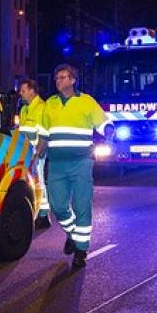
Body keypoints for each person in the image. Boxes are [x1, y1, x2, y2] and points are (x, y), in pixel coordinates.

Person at [37, 64, 114, 268]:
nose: (58, 81)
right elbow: (43, 133)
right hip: (57, 163)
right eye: (56, 78)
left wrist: (110, 130)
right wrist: (37, 154)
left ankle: (81, 250)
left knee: (81, 206)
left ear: (72, 80)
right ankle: (72, 234)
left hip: (81, 162)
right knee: (59, 206)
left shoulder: (86, 101)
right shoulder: (50, 104)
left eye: (62, 77)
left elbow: (102, 122)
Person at [18, 79, 52, 228]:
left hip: (37, 152)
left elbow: (45, 133)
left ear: (32, 91)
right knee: (33, 183)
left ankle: (43, 215)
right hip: (26, 153)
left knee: (39, 181)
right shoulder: (25, 108)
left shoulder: (41, 107)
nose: (20, 93)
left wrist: (38, 153)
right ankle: (39, 212)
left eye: (23, 90)